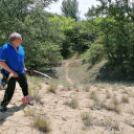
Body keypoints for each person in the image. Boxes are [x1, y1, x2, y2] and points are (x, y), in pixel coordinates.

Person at [0, 32, 34, 112]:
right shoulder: (5, 48)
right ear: (15, 40)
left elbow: (21, 58)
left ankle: (27, 100)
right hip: (9, 73)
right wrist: (12, 72)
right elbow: (1, 62)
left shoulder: (20, 46)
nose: (22, 40)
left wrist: (24, 67)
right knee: (10, 89)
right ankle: (3, 105)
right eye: (20, 39)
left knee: (25, 86)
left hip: (21, 71)